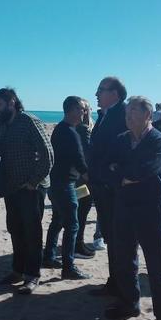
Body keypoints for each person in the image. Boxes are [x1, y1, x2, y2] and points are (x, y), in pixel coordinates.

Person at [104, 96, 161, 320]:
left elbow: (147, 169)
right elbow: (106, 168)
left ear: (147, 115)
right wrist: (122, 175)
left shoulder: (159, 141)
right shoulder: (121, 140)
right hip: (123, 206)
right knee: (124, 260)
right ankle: (129, 304)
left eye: (134, 111)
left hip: (151, 209)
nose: (128, 115)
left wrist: (122, 171)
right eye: (127, 112)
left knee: (157, 265)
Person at [0, 87, 53, 294]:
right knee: (15, 230)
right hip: (11, 188)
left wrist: (34, 181)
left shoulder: (28, 120)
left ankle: (32, 276)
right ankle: (17, 270)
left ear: (11, 103)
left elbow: (48, 154)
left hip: (31, 189)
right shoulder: (3, 125)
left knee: (32, 233)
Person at [43, 96, 92, 279]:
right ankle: (68, 267)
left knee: (57, 221)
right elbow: (79, 160)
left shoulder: (61, 129)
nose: (84, 112)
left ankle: (48, 256)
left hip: (57, 182)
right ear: (70, 110)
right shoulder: (69, 132)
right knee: (72, 225)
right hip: (64, 184)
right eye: (81, 109)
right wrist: (90, 178)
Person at [88, 76, 128, 297]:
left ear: (115, 93)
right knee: (111, 239)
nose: (96, 94)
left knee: (118, 240)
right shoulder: (105, 115)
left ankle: (120, 286)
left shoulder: (123, 114)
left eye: (100, 90)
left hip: (112, 188)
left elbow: (121, 150)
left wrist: (109, 176)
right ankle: (114, 282)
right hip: (101, 186)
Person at [75, 98, 97, 258]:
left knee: (80, 212)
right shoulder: (83, 129)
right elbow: (87, 153)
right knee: (81, 211)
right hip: (82, 179)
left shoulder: (83, 127)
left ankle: (78, 243)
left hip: (79, 178)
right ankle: (78, 244)